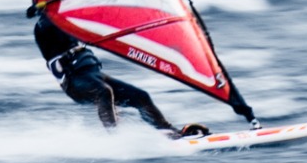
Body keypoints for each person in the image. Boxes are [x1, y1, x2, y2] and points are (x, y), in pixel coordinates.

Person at [32, 11, 211, 136]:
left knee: (141, 96)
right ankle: (115, 138)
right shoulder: (44, 26)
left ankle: (169, 132)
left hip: (93, 74)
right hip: (75, 83)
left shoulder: (63, 18)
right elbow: (61, 23)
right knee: (103, 92)